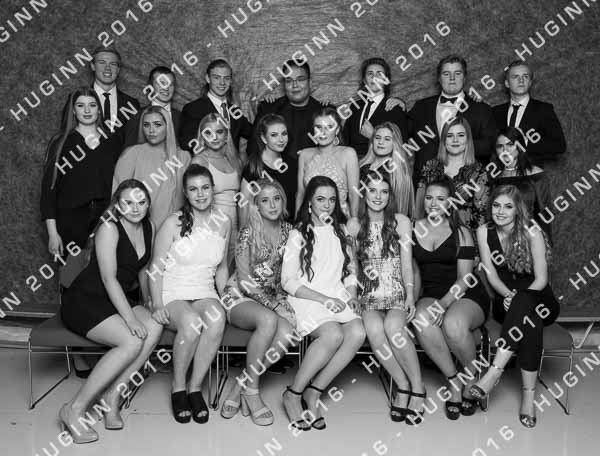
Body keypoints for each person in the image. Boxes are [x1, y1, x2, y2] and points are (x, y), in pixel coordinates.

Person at [59, 180, 163, 443]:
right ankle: (74, 409)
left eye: (141, 202)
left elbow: (142, 269)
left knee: (154, 325)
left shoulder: (149, 227)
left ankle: (112, 396)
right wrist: (130, 319)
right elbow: (108, 278)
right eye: (128, 202)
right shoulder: (109, 227)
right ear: (117, 204)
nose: (135, 208)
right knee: (131, 341)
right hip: (86, 300)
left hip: (116, 299)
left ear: (148, 204)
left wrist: (148, 302)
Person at [280, 176, 366, 431]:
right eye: (320, 199)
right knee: (332, 335)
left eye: (332, 200)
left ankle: (314, 391)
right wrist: (324, 300)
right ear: (309, 202)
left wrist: (351, 294)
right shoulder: (297, 233)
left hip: (336, 294)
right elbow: (287, 281)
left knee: (358, 333)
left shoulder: (341, 231)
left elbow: (350, 271)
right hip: (307, 297)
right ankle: (293, 393)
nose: (327, 205)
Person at [470, 185, 559, 428]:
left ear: (517, 209)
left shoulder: (532, 232)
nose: (500, 211)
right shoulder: (484, 231)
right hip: (506, 301)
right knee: (531, 325)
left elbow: (541, 279)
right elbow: (491, 274)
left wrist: (519, 297)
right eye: (496, 205)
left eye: (508, 206)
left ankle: (494, 372)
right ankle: (529, 398)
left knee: (528, 307)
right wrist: (509, 295)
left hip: (540, 299)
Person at [148, 164, 229, 424]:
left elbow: (222, 267)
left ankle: (195, 388)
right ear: (185, 192)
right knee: (192, 323)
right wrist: (157, 303)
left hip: (204, 290)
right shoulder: (173, 222)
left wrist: (226, 297)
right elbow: (155, 267)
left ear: (213, 189)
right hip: (173, 292)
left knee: (217, 318)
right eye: (193, 189)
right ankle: (178, 387)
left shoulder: (224, 222)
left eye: (205, 187)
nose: (200, 194)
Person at [219, 179, 297, 425]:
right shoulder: (247, 232)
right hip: (240, 296)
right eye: (265, 200)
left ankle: (240, 386)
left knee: (286, 334)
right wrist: (274, 306)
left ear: (283, 201)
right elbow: (244, 281)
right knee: (268, 319)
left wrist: (279, 303)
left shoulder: (290, 231)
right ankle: (253, 393)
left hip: (272, 297)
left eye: (276, 198)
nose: (272, 205)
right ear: (256, 205)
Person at [412, 178, 490, 420]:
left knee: (453, 324)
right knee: (421, 320)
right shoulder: (413, 228)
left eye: (441, 199)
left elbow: (465, 278)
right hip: (431, 292)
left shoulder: (461, 232)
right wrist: (411, 302)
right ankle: (454, 381)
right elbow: (412, 272)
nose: (433, 203)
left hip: (465, 293)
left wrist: (443, 305)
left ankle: (471, 378)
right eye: (429, 198)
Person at [356, 172, 424, 424]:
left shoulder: (401, 221)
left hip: (396, 291)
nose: (378, 196)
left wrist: (410, 296)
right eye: (372, 190)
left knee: (394, 328)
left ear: (390, 196)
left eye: (384, 191)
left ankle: (418, 387)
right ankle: (402, 385)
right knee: (375, 330)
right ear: (364, 193)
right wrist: (353, 295)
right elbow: (352, 267)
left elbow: (407, 265)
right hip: (369, 294)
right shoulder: (354, 224)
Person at [42, 87, 123, 257]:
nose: (87, 110)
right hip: (70, 220)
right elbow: (49, 190)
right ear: (73, 110)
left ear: (99, 110)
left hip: (104, 219)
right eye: (80, 105)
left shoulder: (112, 140)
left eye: (92, 105)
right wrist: (53, 233)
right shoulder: (61, 142)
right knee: (71, 272)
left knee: (104, 269)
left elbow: (121, 181)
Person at [409, 54, 496, 178]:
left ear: (464, 78)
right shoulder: (421, 107)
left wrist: (459, 145)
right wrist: (398, 106)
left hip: (466, 181)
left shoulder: (481, 109)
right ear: (439, 78)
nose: (452, 78)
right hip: (425, 180)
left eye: (457, 73)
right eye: (446, 74)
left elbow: (490, 146)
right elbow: (399, 134)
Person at [112, 105, 190, 230]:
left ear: (168, 126)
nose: (151, 130)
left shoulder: (184, 157)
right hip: (140, 228)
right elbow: (118, 197)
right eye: (146, 125)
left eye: (157, 125)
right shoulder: (132, 153)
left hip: (175, 229)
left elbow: (188, 197)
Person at [416, 116, 490, 234]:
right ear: (443, 140)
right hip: (431, 235)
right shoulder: (430, 167)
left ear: (468, 139)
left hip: (465, 237)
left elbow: (481, 215)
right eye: (450, 136)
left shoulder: (479, 172)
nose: (455, 140)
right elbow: (419, 208)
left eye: (460, 135)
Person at [297, 107, 360, 235]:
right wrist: (297, 222)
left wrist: (354, 219)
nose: (323, 132)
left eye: (329, 127)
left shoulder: (348, 153)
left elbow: (354, 193)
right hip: (310, 222)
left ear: (337, 130)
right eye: (318, 127)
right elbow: (300, 194)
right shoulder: (305, 154)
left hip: (339, 221)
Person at [191, 113, 241, 266]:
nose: (214, 137)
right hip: (210, 225)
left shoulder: (234, 160)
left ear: (226, 135)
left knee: (231, 270)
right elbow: (193, 197)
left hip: (235, 225)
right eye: (208, 133)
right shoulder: (199, 160)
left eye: (219, 131)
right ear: (202, 136)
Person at [492, 61, 566, 165]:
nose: (521, 80)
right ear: (507, 83)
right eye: (515, 77)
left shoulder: (544, 109)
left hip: (532, 172)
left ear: (530, 82)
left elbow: (559, 145)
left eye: (525, 76)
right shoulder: (496, 112)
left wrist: (525, 143)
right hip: (501, 173)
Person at [488, 127, 553, 241]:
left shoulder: (536, 174)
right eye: (500, 146)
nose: (505, 150)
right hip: (500, 238)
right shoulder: (494, 177)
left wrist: (545, 242)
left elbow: (545, 213)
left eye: (510, 144)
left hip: (529, 238)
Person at [180, 59, 252, 159]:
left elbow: (254, 132)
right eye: (216, 77)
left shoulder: (234, 111)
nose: (222, 82)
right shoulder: (193, 108)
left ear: (231, 81)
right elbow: (186, 142)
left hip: (233, 167)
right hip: (207, 165)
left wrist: (267, 107)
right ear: (208, 78)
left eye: (226, 78)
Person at [342, 57, 411, 160]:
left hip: (379, 167)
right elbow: (345, 142)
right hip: (351, 165)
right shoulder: (354, 107)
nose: (374, 77)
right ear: (364, 80)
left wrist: (373, 136)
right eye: (370, 73)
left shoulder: (395, 109)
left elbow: (401, 150)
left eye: (379, 74)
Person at [240, 114, 295, 223]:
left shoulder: (293, 164)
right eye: (274, 135)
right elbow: (244, 208)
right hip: (262, 229)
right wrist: (245, 232)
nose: (281, 139)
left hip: (290, 228)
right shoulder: (253, 167)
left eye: (284, 134)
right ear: (264, 138)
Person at [359, 122, 414, 218]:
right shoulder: (362, 165)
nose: (381, 142)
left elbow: (398, 208)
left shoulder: (395, 172)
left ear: (395, 143)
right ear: (372, 141)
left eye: (387, 139)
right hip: (360, 219)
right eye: (377, 138)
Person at [123, 66, 182, 149]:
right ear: (150, 86)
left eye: (171, 84)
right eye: (161, 83)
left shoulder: (182, 117)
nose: (166, 88)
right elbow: (128, 151)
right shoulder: (136, 116)